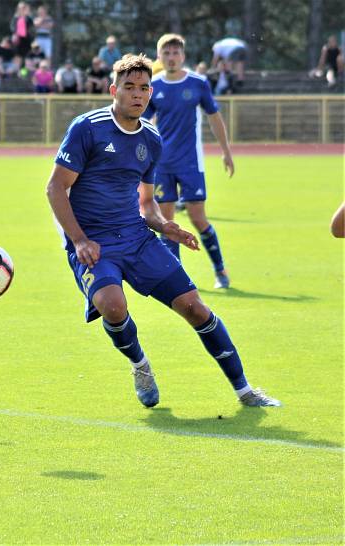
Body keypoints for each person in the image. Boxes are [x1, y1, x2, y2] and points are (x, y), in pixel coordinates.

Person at [45, 53, 280, 409]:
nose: (137, 94)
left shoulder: (152, 140)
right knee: (112, 305)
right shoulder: (87, 128)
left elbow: (146, 203)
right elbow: (54, 188)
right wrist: (78, 239)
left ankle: (245, 390)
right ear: (114, 90)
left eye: (143, 88)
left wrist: (165, 225)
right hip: (93, 242)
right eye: (129, 87)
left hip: (136, 237)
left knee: (195, 308)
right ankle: (140, 366)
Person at [145, 34, 235, 289]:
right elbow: (143, 122)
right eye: (166, 54)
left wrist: (226, 150)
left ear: (182, 56)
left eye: (175, 53)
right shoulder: (154, 86)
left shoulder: (198, 83)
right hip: (162, 165)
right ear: (159, 56)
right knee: (167, 222)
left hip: (190, 163)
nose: (171, 58)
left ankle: (220, 270)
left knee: (198, 218)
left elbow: (214, 116)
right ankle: (177, 279)